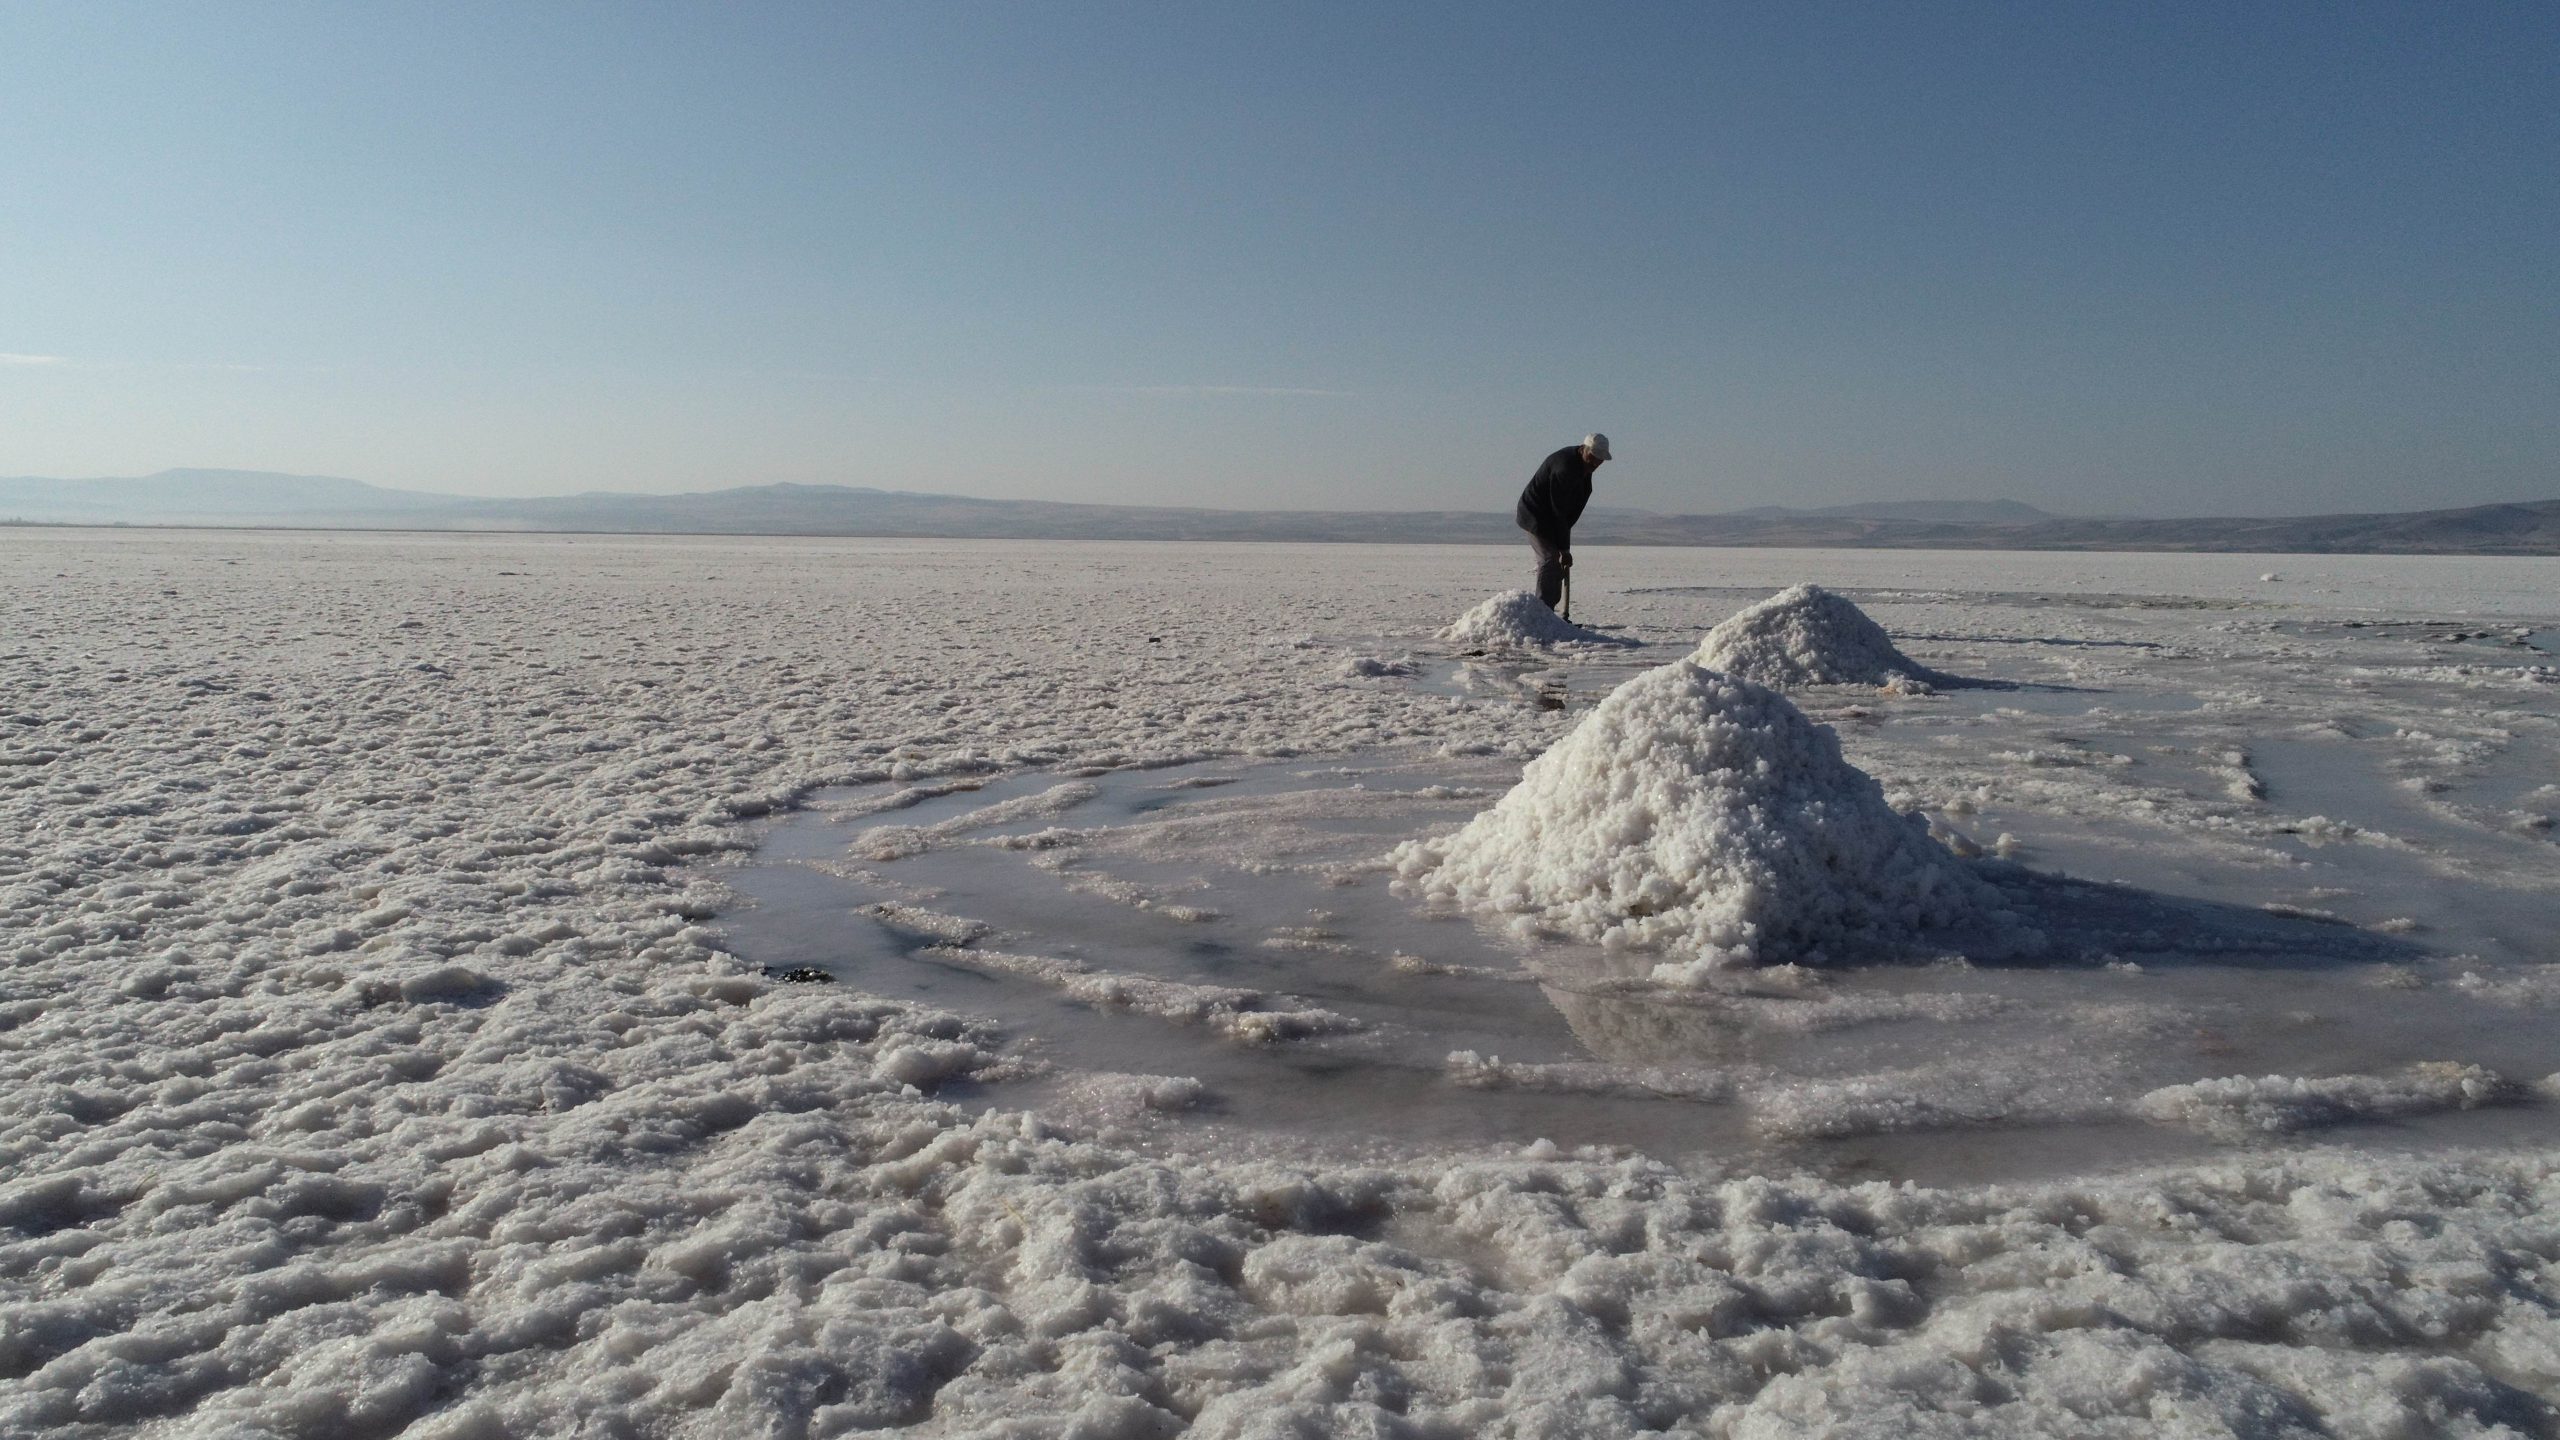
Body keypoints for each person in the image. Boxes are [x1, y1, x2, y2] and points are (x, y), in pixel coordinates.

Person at [1515, 433, 1609, 610]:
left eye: (1600, 460)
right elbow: (1559, 510)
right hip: (1535, 515)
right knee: (1551, 559)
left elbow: (1568, 513)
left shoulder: (1583, 466)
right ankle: (1542, 612)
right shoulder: (1565, 468)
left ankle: (1548, 612)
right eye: (1593, 457)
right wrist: (1564, 548)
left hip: (1551, 518)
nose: (1596, 463)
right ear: (1584, 449)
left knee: (1556, 562)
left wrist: (1563, 543)